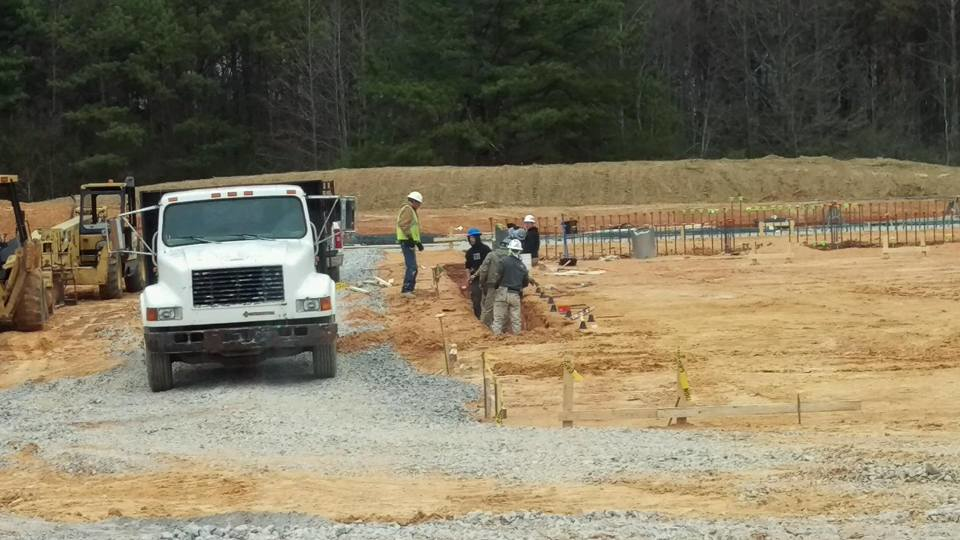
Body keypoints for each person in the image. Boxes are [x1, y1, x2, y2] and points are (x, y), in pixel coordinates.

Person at [491, 239, 529, 336]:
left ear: (510, 249)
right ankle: (517, 338)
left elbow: (498, 277)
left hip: (502, 292)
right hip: (515, 293)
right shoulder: (522, 266)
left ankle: (496, 339)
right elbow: (525, 283)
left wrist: (495, 286)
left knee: (498, 319)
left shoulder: (503, 261)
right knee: (516, 319)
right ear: (519, 251)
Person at [396, 191, 424, 298]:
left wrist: (418, 242)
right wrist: (410, 238)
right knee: (412, 267)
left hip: (409, 241)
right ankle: (406, 290)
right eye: (419, 203)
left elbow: (413, 229)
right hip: (406, 241)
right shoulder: (408, 210)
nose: (419, 206)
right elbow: (403, 225)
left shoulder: (412, 210)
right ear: (414, 201)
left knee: (413, 267)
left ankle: (410, 289)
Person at [464, 228, 491, 319]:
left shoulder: (486, 249)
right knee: (476, 300)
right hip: (475, 279)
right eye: (470, 238)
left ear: (477, 237)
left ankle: (490, 319)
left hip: (487, 279)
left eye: (473, 237)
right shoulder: (469, 253)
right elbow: (467, 267)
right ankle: (478, 319)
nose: (471, 240)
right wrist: (468, 279)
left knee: (489, 300)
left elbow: (491, 264)